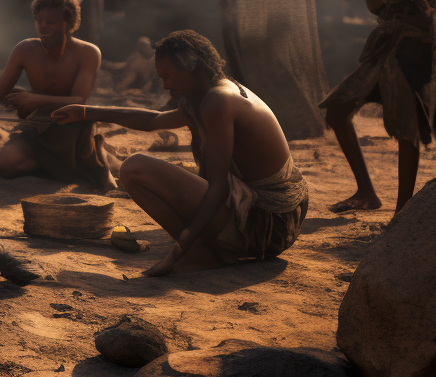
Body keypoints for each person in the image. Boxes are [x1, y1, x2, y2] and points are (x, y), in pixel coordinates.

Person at [52, 30, 308, 276]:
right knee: (148, 170)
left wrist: (180, 249)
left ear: (191, 69)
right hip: (275, 220)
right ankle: (202, 249)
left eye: (167, 77)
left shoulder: (218, 101)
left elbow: (218, 189)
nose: (164, 86)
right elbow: (155, 120)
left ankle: (200, 255)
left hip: (268, 227)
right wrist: (86, 112)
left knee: (134, 168)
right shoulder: (212, 89)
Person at [312, 0, 436, 214]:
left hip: (410, 39)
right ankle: (366, 193)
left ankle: (403, 212)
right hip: (386, 39)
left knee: (406, 125)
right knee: (338, 110)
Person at [0, 0, 114, 190]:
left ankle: (93, 155)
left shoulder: (88, 52)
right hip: (38, 130)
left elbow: (79, 99)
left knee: (102, 179)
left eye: (50, 22)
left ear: (67, 24)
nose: (42, 26)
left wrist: (35, 100)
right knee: (3, 164)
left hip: (73, 129)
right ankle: (61, 166)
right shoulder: (24, 49)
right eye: (39, 20)